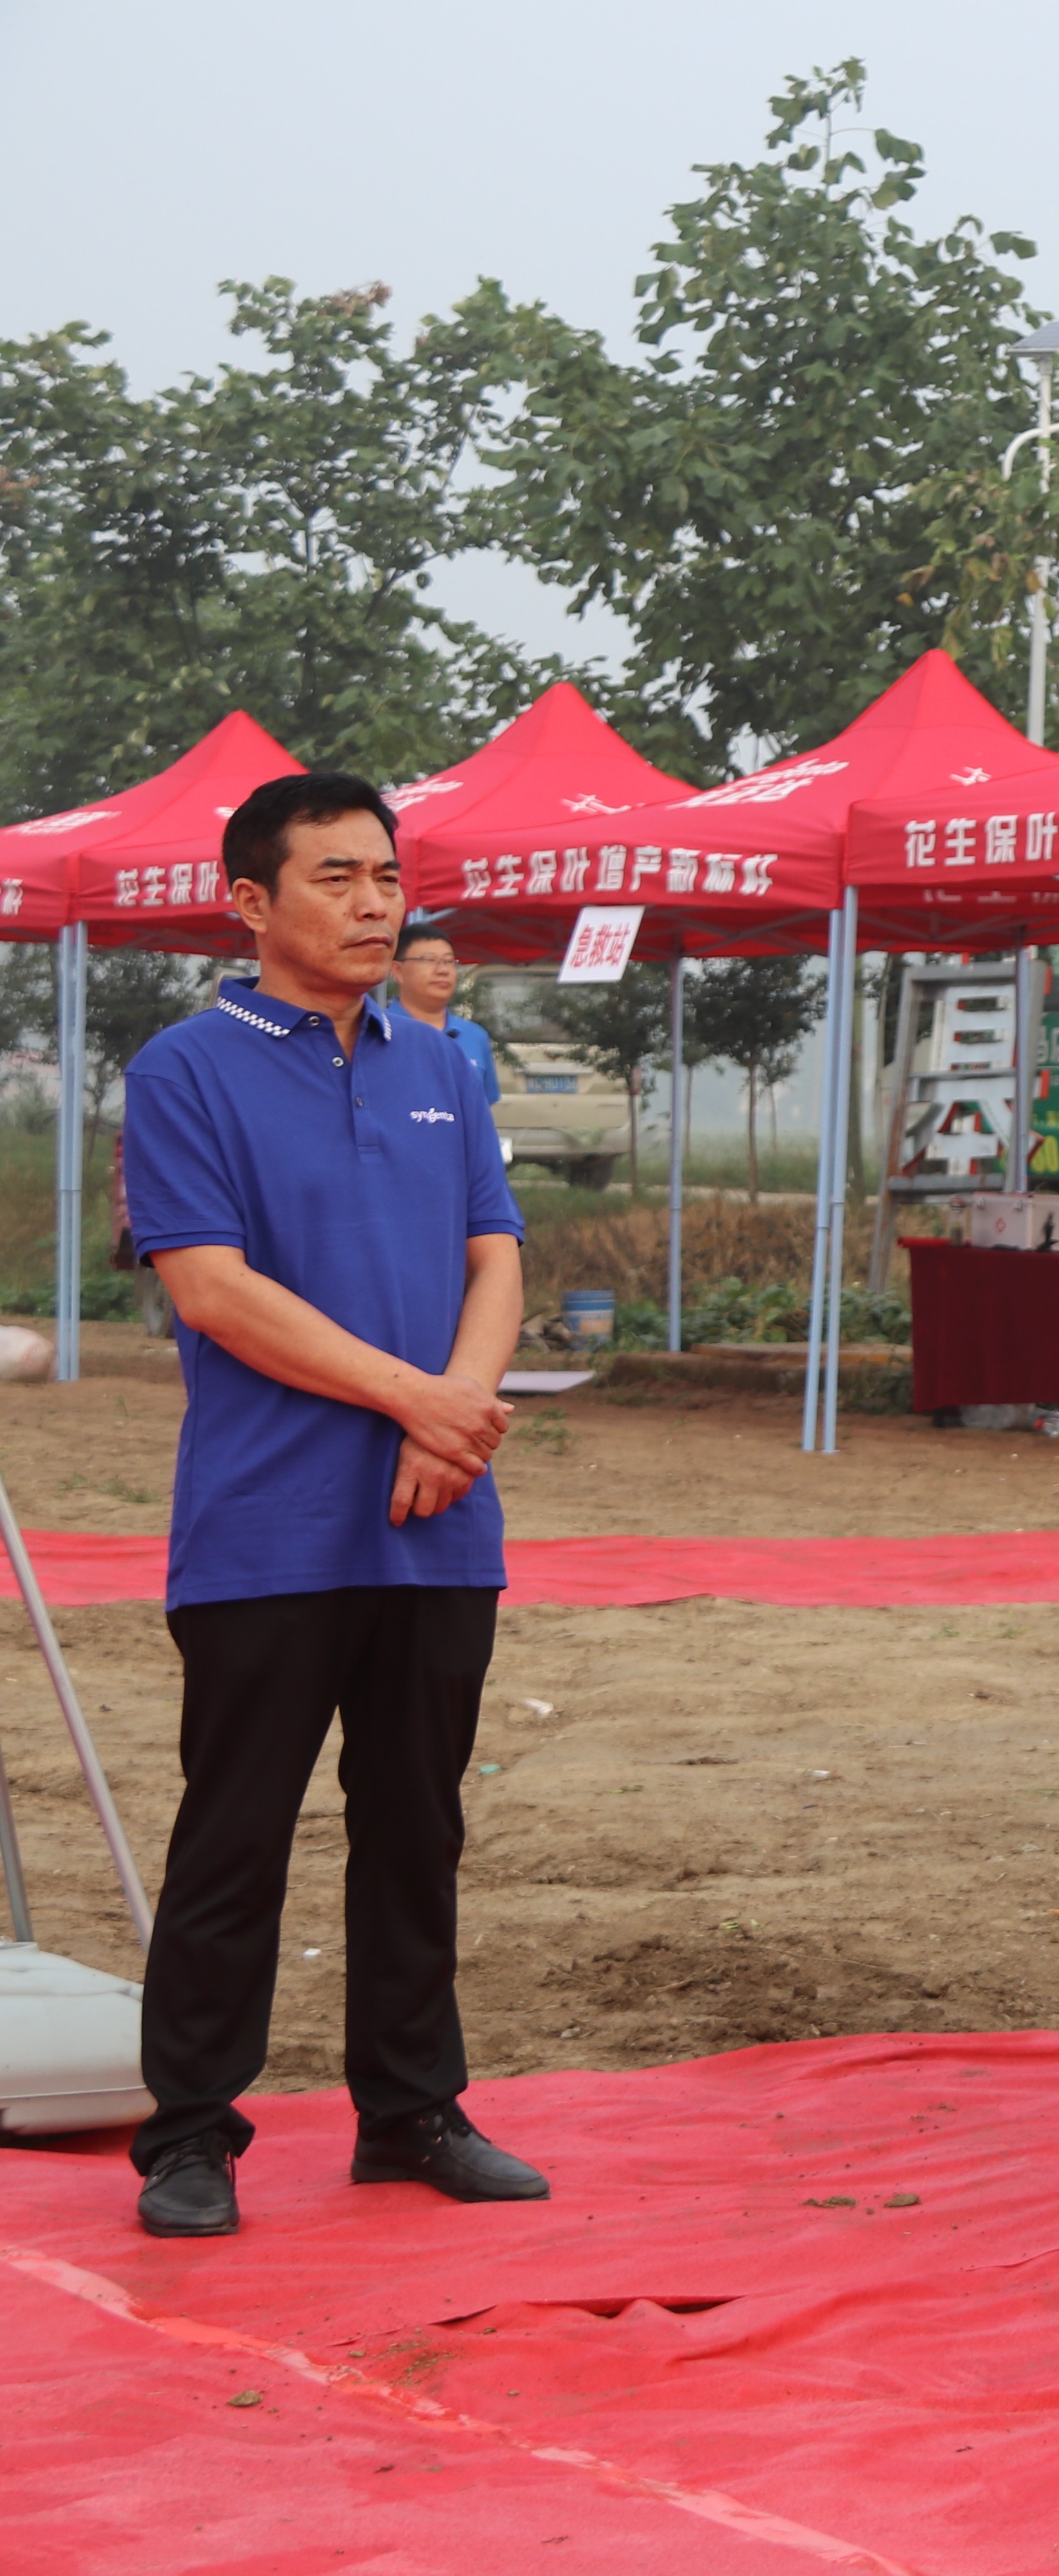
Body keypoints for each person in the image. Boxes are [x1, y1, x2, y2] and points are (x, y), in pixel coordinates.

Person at [119, 772, 537, 2239]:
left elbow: (497, 1254)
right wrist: (413, 1399)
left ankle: (411, 2107)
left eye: (387, 877)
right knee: (236, 1829)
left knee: (416, 1826)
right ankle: (188, 2132)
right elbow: (214, 1289)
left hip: (440, 1519)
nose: (376, 905)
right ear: (250, 901)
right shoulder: (186, 1069)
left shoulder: (443, 1063)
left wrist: (460, 1413)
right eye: (339, 879)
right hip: (269, 1524)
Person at [385, 922, 500, 1104]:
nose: (443, 970)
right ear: (398, 971)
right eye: (429, 961)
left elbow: (484, 1109)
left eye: (449, 961)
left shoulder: (475, 1036)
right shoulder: (376, 1031)